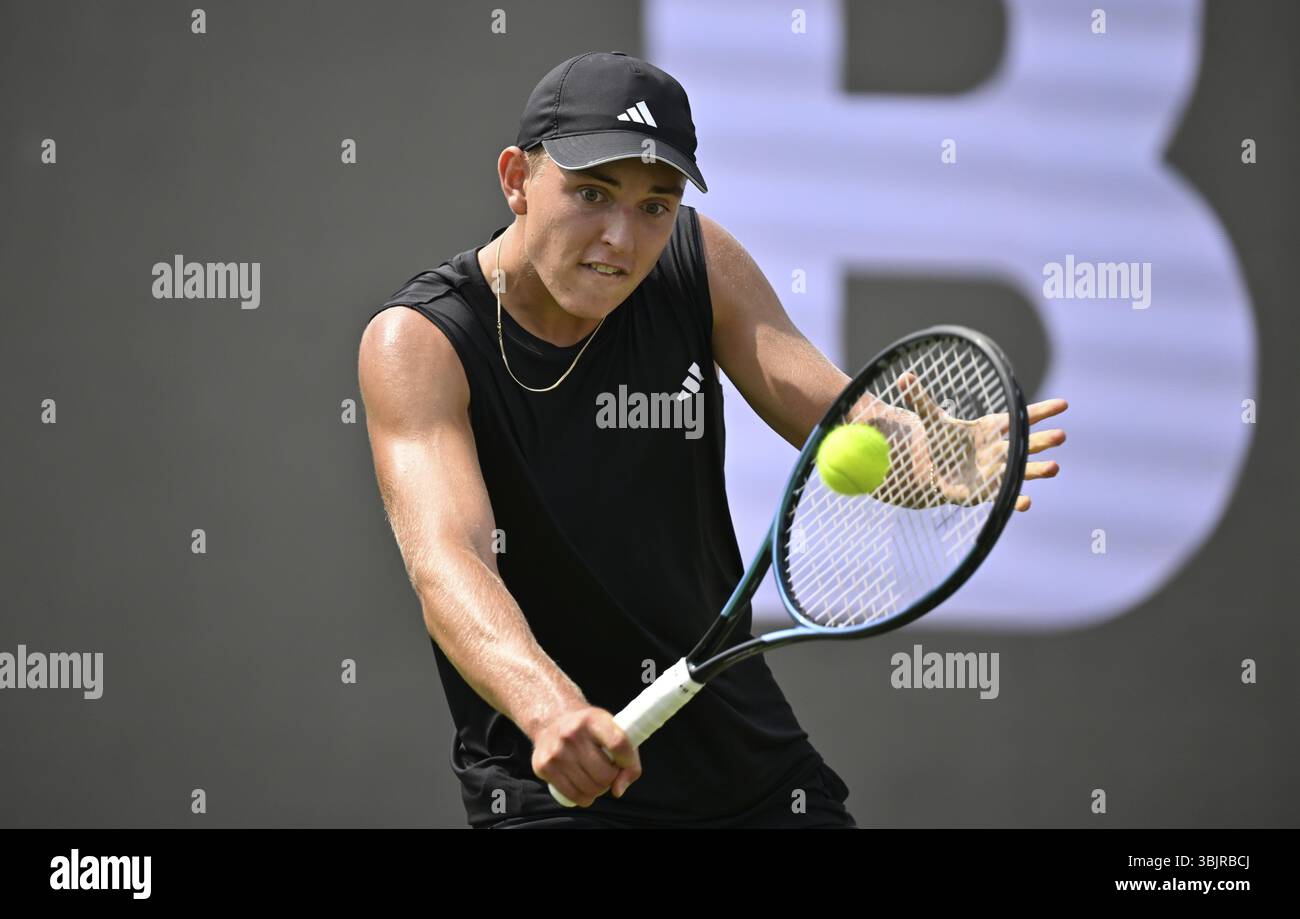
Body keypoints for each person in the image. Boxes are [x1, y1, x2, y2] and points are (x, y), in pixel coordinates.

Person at [358, 51, 1067, 828]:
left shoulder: (699, 263)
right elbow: (448, 562)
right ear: (517, 180)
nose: (620, 240)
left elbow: (837, 415)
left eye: (655, 205)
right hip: (560, 785)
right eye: (591, 194)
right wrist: (552, 709)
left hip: (748, 767)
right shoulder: (420, 342)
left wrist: (920, 458)